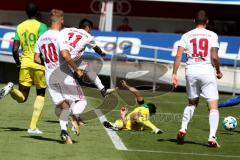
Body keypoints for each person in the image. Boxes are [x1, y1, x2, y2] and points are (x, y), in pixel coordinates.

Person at [172, 10, 223, 148]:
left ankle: (183, 128)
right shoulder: (212, 35)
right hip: (206, 70)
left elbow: (178, 56)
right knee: (213, 106)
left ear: (194, 21)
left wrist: (174, 74)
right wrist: (218, 70)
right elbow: (214, 57)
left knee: (192, 103)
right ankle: (212, 136)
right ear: (207, 22)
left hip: (191, 71)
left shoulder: (186, 35)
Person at [34, 9, 84, 144]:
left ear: (51, 20)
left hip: (49, 77)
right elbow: (65, 55)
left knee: (64, 107)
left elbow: (36, 58)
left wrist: (49, 64)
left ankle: (64, 132)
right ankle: (74, 117)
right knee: (81, 101)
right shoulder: (61, 35)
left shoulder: (42, 37)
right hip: (63, 74)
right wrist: (76, 69)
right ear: (61, 21)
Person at [0, 2, 47, 134]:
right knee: (41, 94)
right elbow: (44, 46)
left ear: (26, 12)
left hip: (25, 64)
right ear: (37, 12)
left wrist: (18, 63)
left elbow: (15, 50)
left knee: (22, 97)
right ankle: (32, 127)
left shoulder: (20, 27)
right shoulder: (41, 26)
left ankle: (11, 89)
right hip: (38, 64)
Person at [60, 18, 114, 97]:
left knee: (87, 67)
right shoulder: (88, 36)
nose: (90, 31)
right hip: (69, 59)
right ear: (88, 27)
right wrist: (102, 53)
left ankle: (102, 89)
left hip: (61, 54)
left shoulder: (68, 29)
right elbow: (96, 49)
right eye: (90, 29)